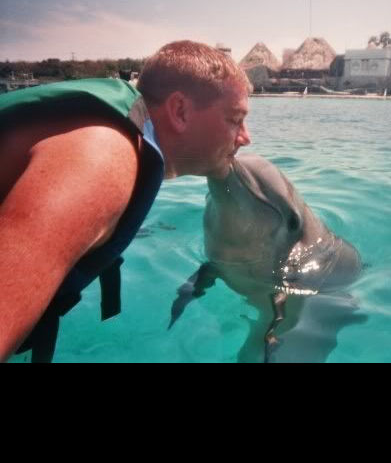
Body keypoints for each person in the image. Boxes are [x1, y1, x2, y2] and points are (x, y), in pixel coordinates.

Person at [0, 41, 252, 362]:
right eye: (235, 119)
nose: (245, 137)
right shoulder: (102, 159)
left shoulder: (123, 143)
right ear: (180, 111)